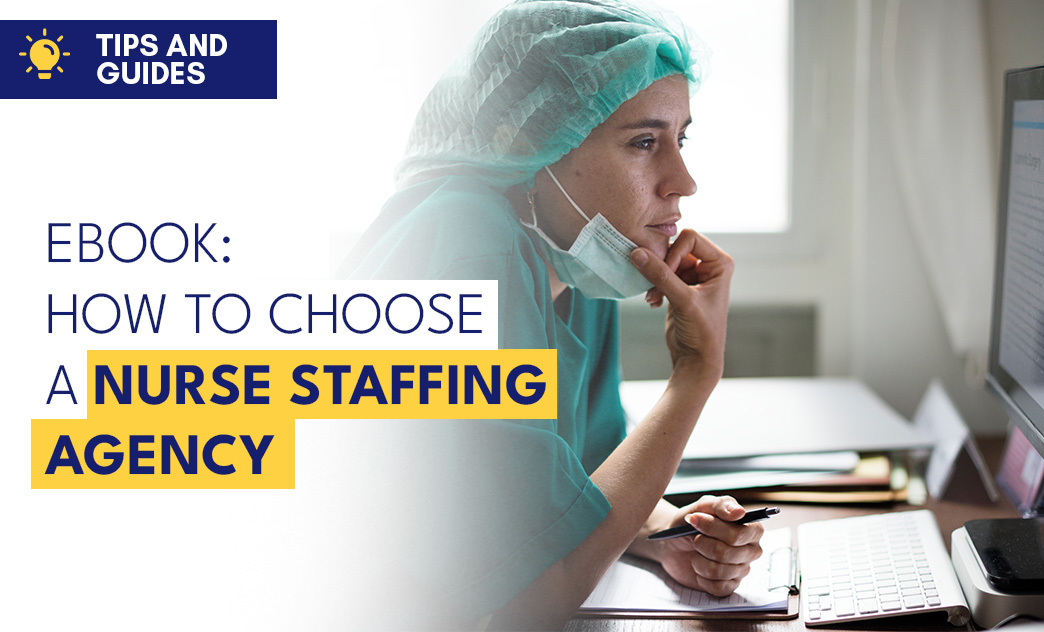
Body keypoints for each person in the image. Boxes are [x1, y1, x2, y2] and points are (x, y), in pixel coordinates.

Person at [345, 0, 765, 628]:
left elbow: (578, 482)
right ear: (533, 145)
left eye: (680, 139)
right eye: (644, 142)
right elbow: (525, 600)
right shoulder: (468, 246)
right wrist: (695, 374)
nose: (683, 180)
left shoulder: (575, 256)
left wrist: (664, 529)